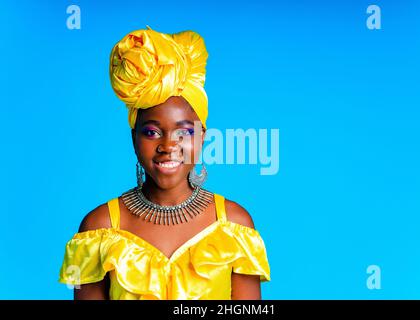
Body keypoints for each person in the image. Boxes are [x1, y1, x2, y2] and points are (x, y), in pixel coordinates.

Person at [59, 26, 271, 300]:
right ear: (134, 137)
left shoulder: (234, 225)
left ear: (202, 137)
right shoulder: (98, 229)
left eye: (184, 132)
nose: (168, 146)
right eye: (152, 132)